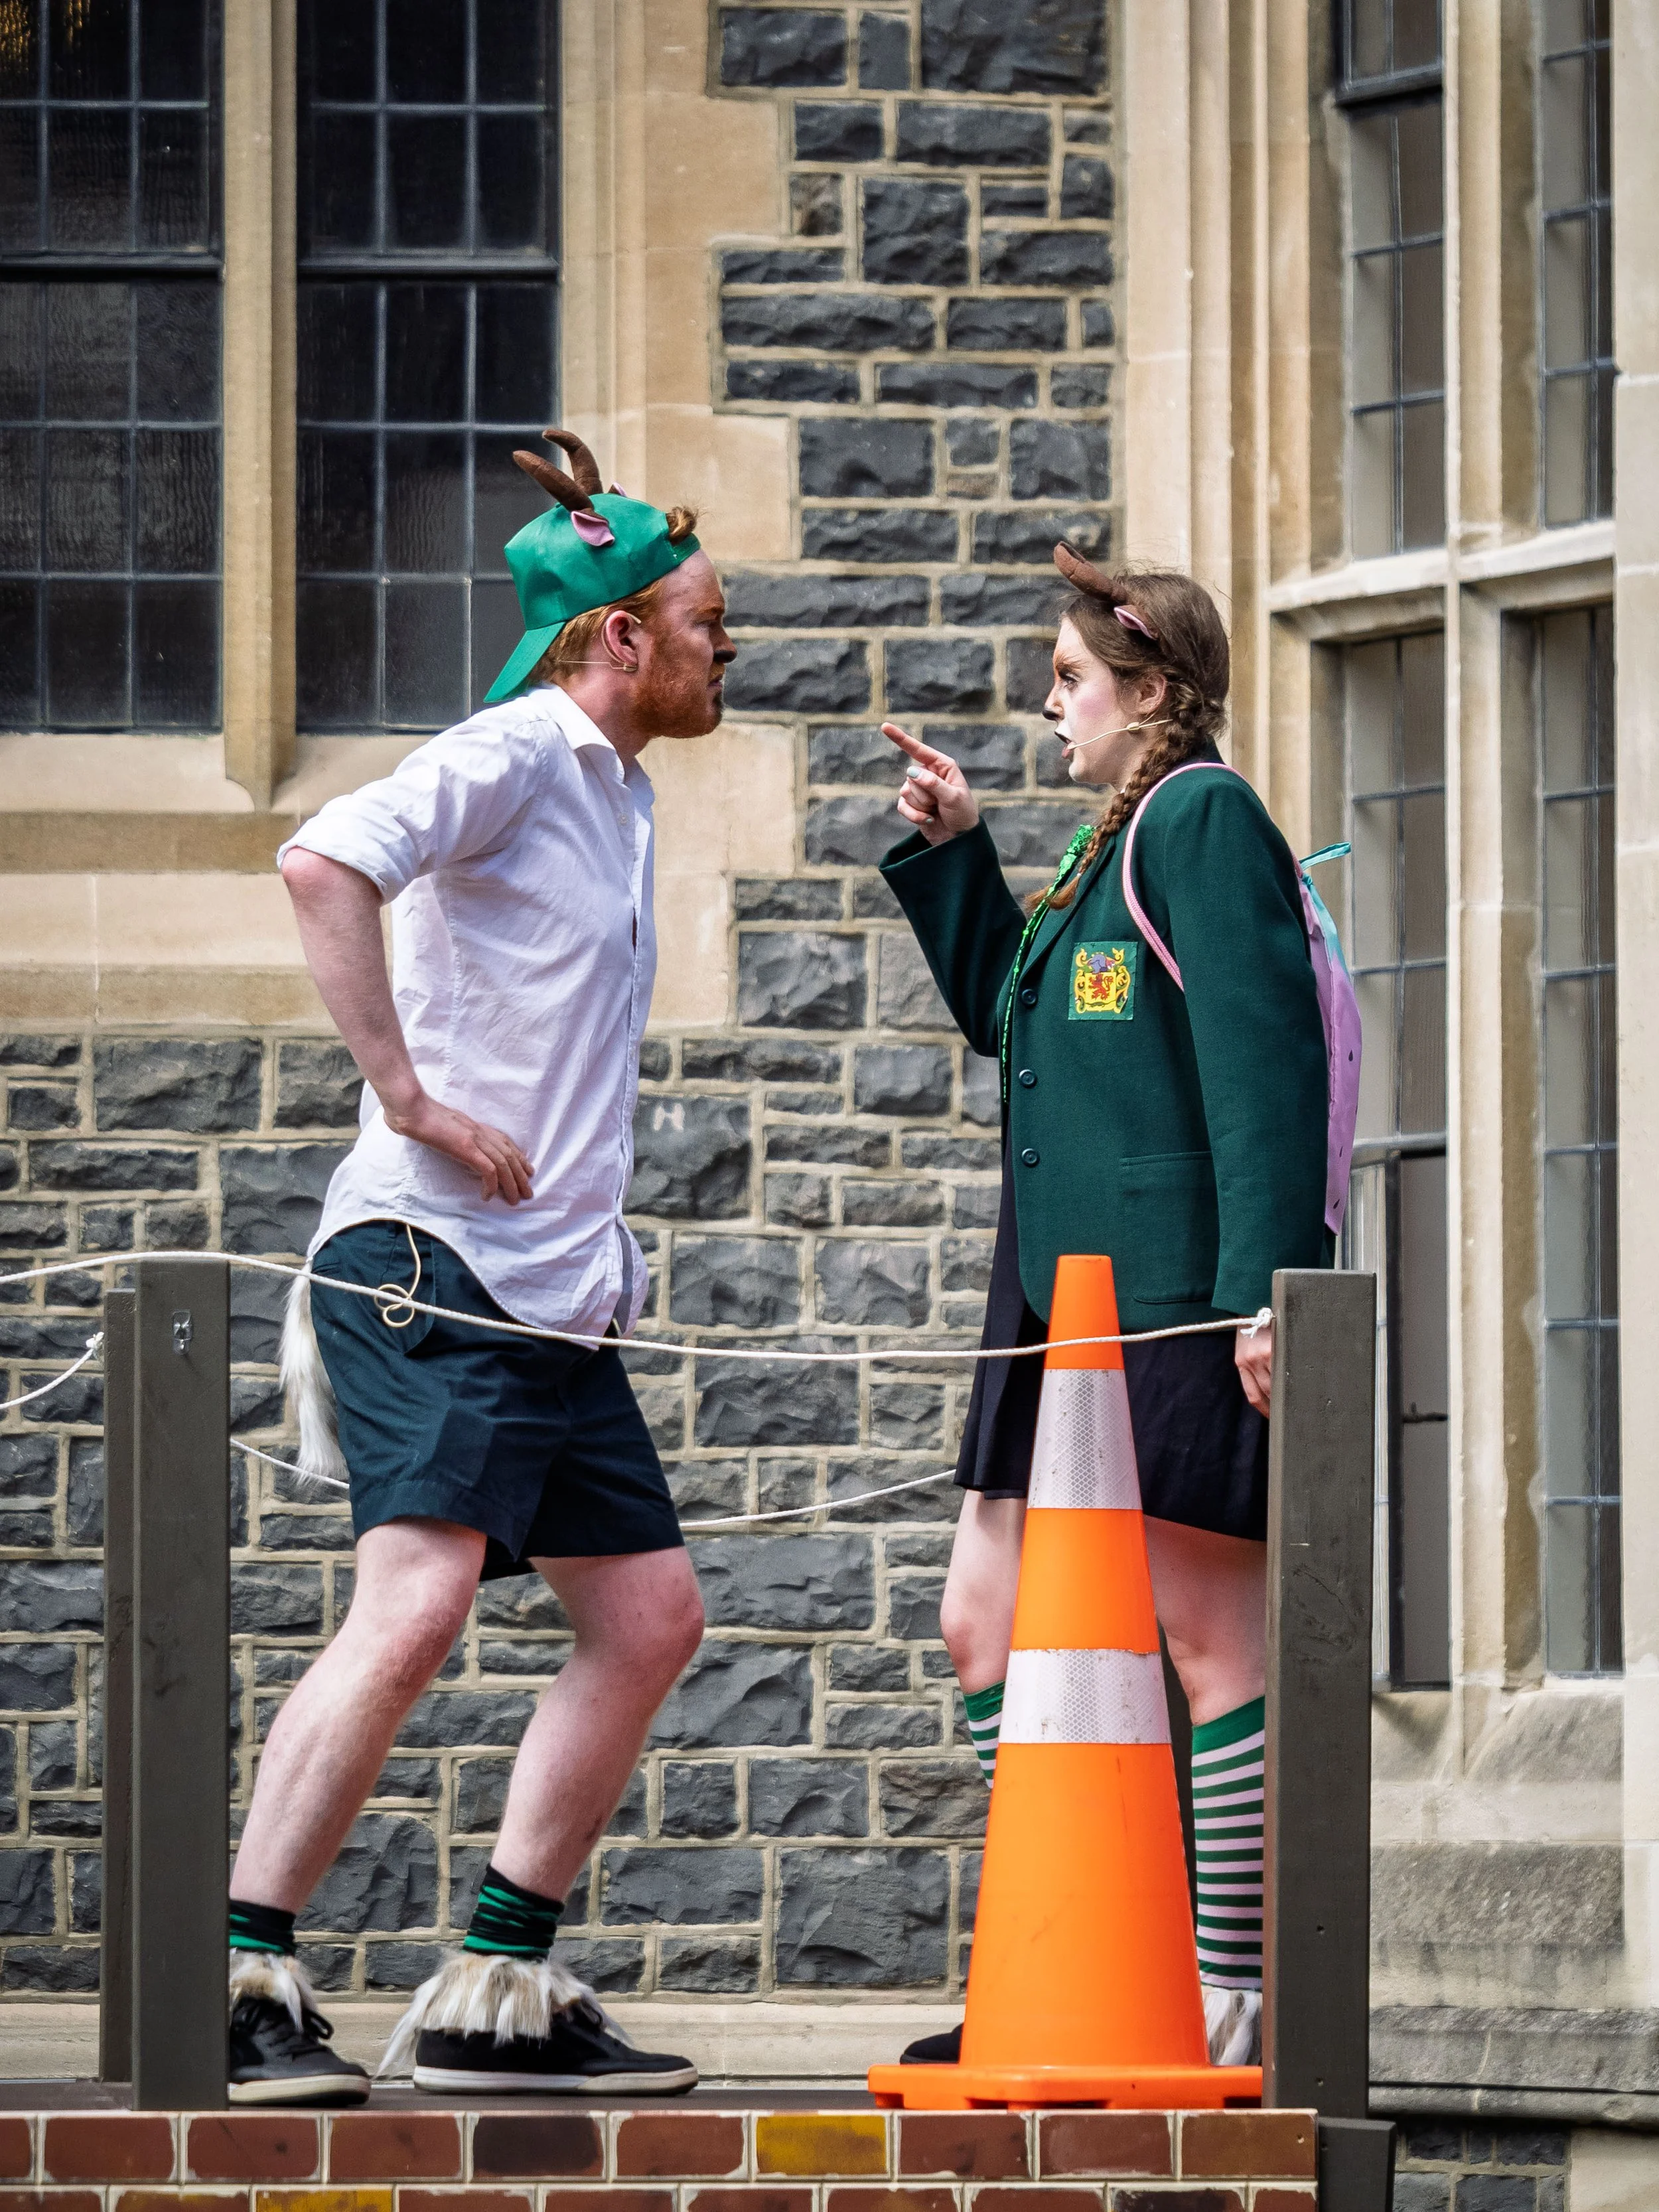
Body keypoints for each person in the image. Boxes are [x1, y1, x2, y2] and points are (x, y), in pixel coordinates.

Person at [223, 432, 733, 2104]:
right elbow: (321, 855)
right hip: (425, 1260)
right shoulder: (516, 746)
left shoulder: (618, 789)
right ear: (619, 639)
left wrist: (601, 1235)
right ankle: (242, 1975)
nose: (727, 648)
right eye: (705, 623)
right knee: (422, 1595)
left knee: (648, 1618)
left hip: (552, 1293)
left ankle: (491, 1991)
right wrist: (405, 1094)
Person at [879, 546, 1330, 2068]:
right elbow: (1023, 1017)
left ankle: (1222, 1991)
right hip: (1051, 1293)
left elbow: (1268, 1068)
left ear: (1148, 692)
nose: (1048, 701)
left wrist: (1265, 1296)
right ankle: (1055, 1962)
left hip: (1172, 1294)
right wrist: (957, 848)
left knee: (1209, 1638)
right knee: (980, 1623)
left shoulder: (1198, 818)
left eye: (1070, 677)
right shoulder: (1102, 839)